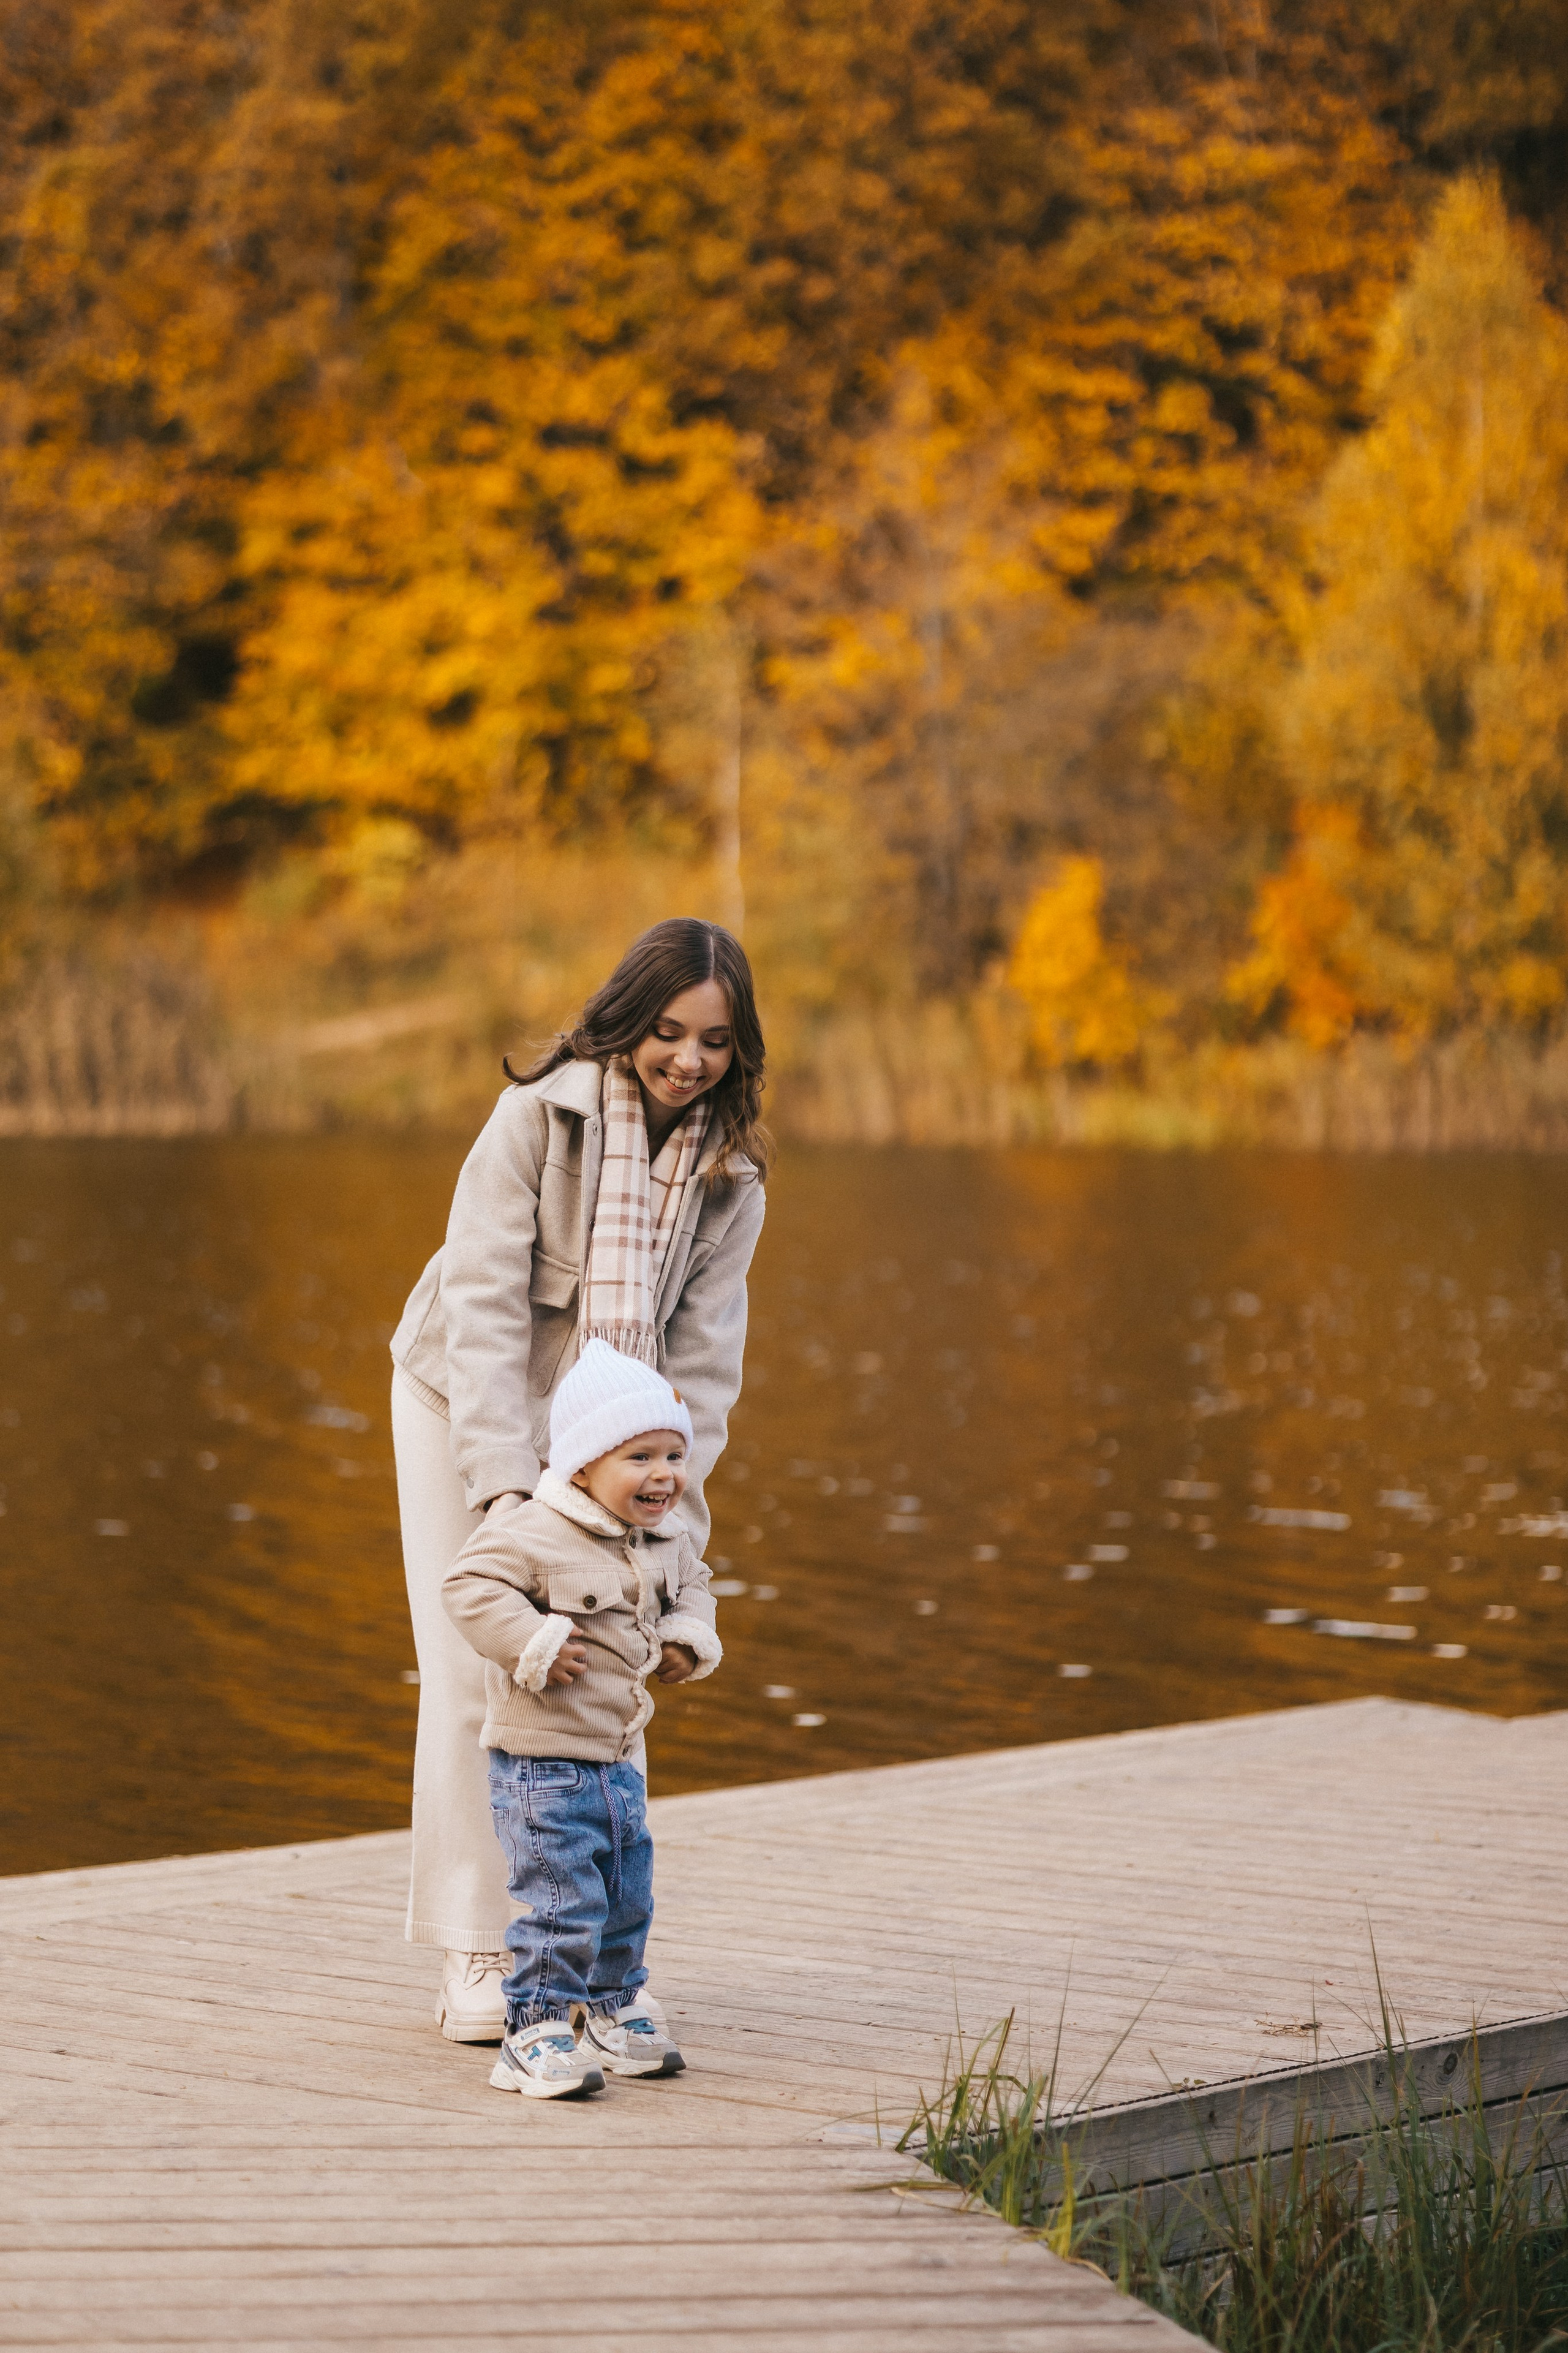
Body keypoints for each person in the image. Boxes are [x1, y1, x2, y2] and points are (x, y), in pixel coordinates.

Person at [389, 918, 769, 2040]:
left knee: (610, 1660)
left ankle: (597, 1964)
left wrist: (675, 1542)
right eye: (666, 1031)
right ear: (627, 1021)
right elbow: (485, 1310)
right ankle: (474, 1949)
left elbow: (701, 1372)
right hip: (461, 1398)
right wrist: (507, 1491)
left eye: (713, 1039)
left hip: (618, 1433)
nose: (687, 1059)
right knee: (480, 1663)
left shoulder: (730, 1176)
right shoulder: (533, 1120)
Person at [442, 1340, 718, 2098]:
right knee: (563, 1900)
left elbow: (695, 1587)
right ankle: (530, 2031)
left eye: (673, 1454)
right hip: (542, 1764)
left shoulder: (663, 1541)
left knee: (628, 1893)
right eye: (639, 1457)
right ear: (583, 1466)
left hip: (618, 1760)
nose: (663, 1475)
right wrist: (532, 1640)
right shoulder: (533, 1530)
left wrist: (687, 1638)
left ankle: (612, 2005)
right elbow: (467, 1586)